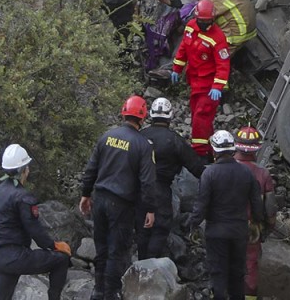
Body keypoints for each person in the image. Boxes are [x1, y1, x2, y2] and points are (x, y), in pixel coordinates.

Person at [79, 95, 157, 300]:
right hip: (121, 204)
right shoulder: (142, 144)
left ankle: (98, 290)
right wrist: (149, 208)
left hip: (100, 199)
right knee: (117, 250)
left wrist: (86, 194)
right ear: (142, 117)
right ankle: (111, 292)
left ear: (124, 113)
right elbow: (147, 182)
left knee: (101, 247)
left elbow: (91, 169)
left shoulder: (107, 137)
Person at [188, 131, 265, 300]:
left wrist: (193, 225)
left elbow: (201, 204)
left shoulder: (209, 173)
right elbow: (256, 203)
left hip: (216, 232)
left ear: (214, 151)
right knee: (237, 274)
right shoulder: (246, 173)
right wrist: (257, 223)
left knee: (218, 273)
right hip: (239, 231)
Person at [0, 144, 71, 300]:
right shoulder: (23, 197)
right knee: (61, 260)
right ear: (24, 170)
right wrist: (54, 245)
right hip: (16, 257)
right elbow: (34, 230)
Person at [136, 97, 205, 260]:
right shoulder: (174, 140)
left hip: (138, 189)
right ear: (170, 116)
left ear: (151, 115)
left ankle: (140, 263)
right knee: (160, 227)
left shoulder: (139, 136)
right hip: (160, 189)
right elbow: (195, 166)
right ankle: (151, 264)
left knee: (141, 227)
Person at [171, 0, 231, 158]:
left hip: (209, 86)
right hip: (194, 81)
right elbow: (184, 48)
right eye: (202, 21)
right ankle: (212, 149)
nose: (205, 24)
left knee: (201, 115)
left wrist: (217, 86)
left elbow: (223, 65)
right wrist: (177, 68)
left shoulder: (218, 38)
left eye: (207, 21)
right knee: (201, 117)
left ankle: (199, 151)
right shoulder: (191, 27)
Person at [233, 126, 277, 300]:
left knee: (224, 262)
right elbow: (270, 206)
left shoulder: (220, 169)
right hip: (250, 228)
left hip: (224, 225)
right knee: (250, 264)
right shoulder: (262, 173)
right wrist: (270, 226)